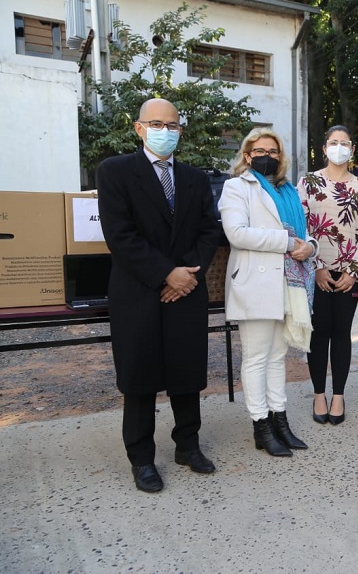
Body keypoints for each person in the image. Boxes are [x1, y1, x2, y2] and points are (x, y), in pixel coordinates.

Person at [97, 98, 222, 493]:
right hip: (137, 290)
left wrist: (185, 274)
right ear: (139, 128)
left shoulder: (195, 178)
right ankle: (142, 459)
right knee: (140, 377)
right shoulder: (115, 171)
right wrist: (165, 273)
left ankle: (187, 445)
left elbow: (209, 231)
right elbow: (120, 235)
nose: (165, 131)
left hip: (187, 288)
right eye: (156, 123)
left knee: (186, 372)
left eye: (172, 125)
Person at [219, 128, 317, 457]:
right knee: (257, 357)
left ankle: (280, 420)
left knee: (278, 357)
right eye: (260, 151)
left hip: (286, 282)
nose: (267, 156)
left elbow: (307, 233)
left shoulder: (289, 191)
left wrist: (310, 247)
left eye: (274, 152)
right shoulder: (236, 187)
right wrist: (288, 244)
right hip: (256, 282)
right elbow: (237, 234)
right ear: (247, 155)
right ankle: (261, 425)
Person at [298, 125, 358, 425]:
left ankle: (339, 395)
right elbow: (299, 226)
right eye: (333, 142)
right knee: (318, 333)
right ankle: (319, 394)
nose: (339, 147)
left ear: (352, 150)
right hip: (315, 270)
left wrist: (354, 272)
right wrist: (315, 267)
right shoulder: (308, 182)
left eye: (345, 143)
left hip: (347, 273)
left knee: (341, 332)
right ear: (324, 148)